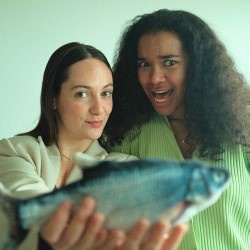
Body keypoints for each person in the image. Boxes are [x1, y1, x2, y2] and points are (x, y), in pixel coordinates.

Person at [0, 42, 187, 250]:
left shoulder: (124, 168)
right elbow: (33, 212)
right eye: (82, 94)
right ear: (54, 100)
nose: (99, 109)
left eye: (106, 93)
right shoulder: (14, 152)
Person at [104, 9, 250, 250]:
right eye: (144, 64)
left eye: (169, 62)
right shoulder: (127, 134)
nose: (154, 78)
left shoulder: (242, 122)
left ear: (197, 67)